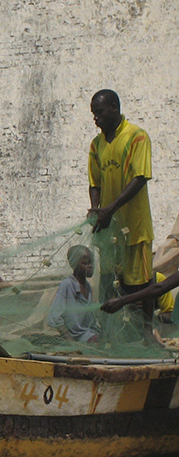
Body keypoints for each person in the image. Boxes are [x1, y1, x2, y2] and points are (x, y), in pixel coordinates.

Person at [87, 89, 154, 325]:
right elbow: (94, 183)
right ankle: (108, 335)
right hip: (109, 228)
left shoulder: (137, 136)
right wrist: (96, 209)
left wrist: (111, 208)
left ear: (114, 108)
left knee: (142, 282)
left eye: (100, 112)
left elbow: (140, 178)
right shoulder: (96, 145)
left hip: (135, 225)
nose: (96, 118)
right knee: (108, 281)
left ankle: (147, 334)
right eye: (93, 114)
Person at [47, 245, 99, 344]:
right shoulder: (67, 285)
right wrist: (70, 341)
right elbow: (54, 317)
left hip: (90, 332)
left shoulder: (87, 286)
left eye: (91, 262)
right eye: (85, 263)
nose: (90, 266)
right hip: (78, 336)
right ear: (73, 264)